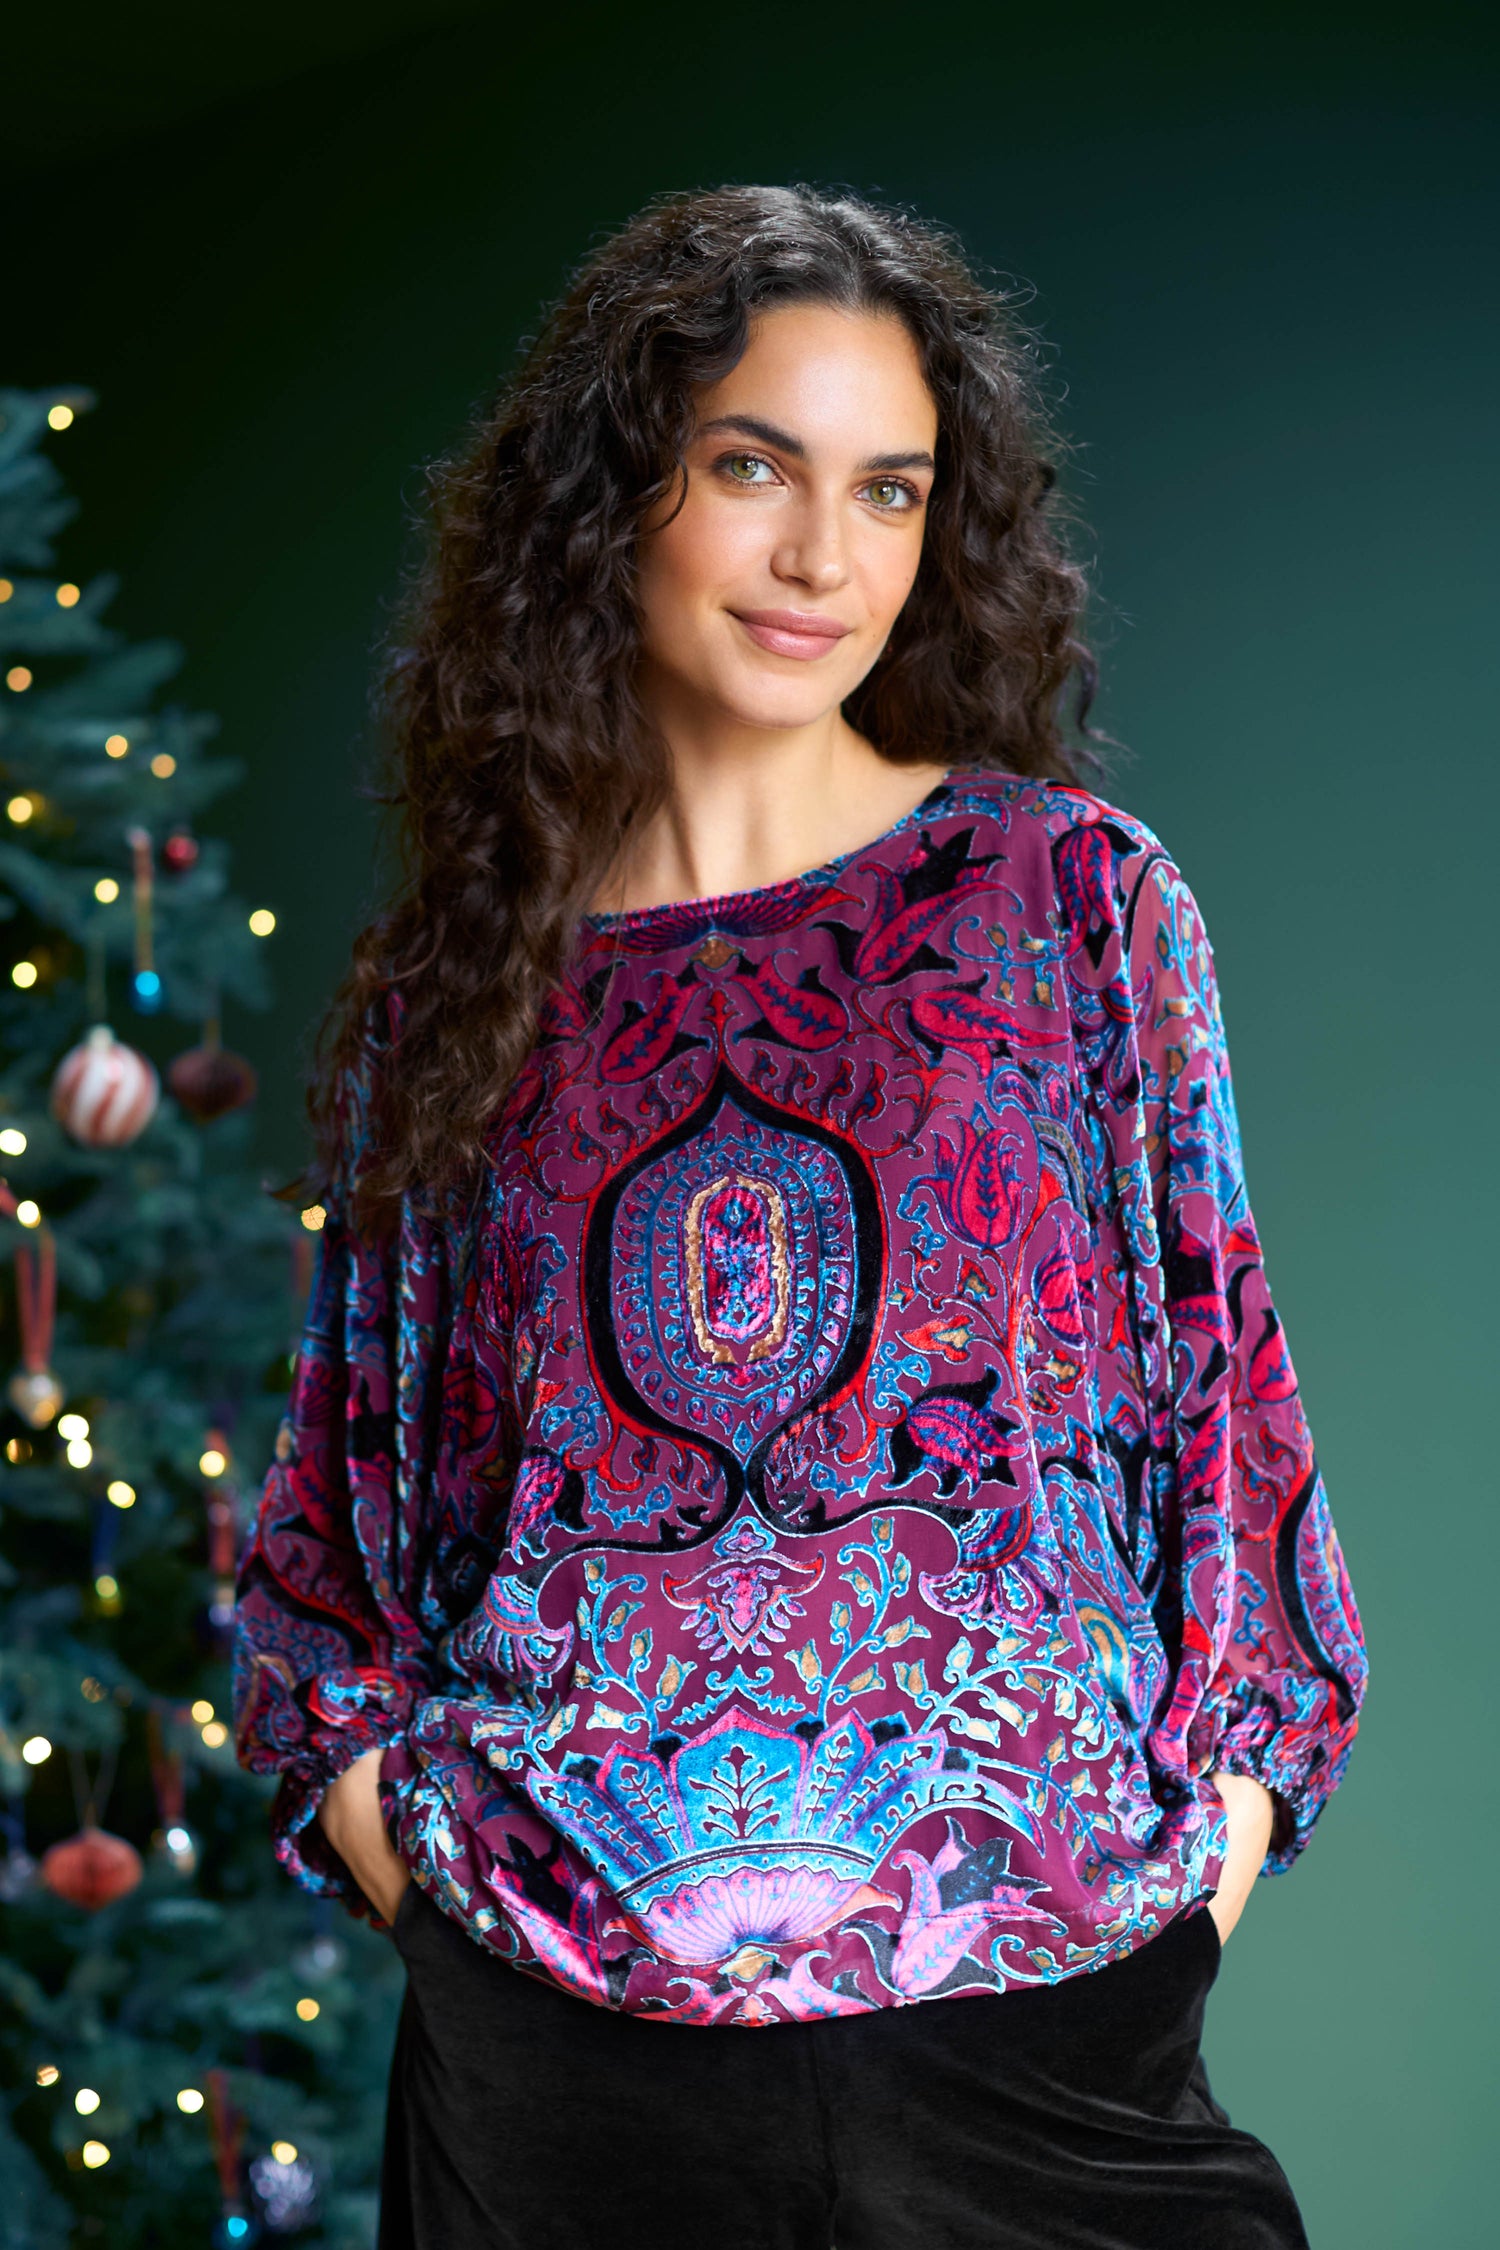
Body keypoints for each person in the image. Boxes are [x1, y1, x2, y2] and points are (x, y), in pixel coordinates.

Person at [232, 185, 1367, 2250]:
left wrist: (1185, 1885)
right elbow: (335, 1563)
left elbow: (1236, 1445)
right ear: (611, 494)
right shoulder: (444, 993)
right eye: (755, 466)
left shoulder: (1072, 905)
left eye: (891, 490)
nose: (822, 558)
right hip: (554, 2071)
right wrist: (440, 1907)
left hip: (1039, 2025)